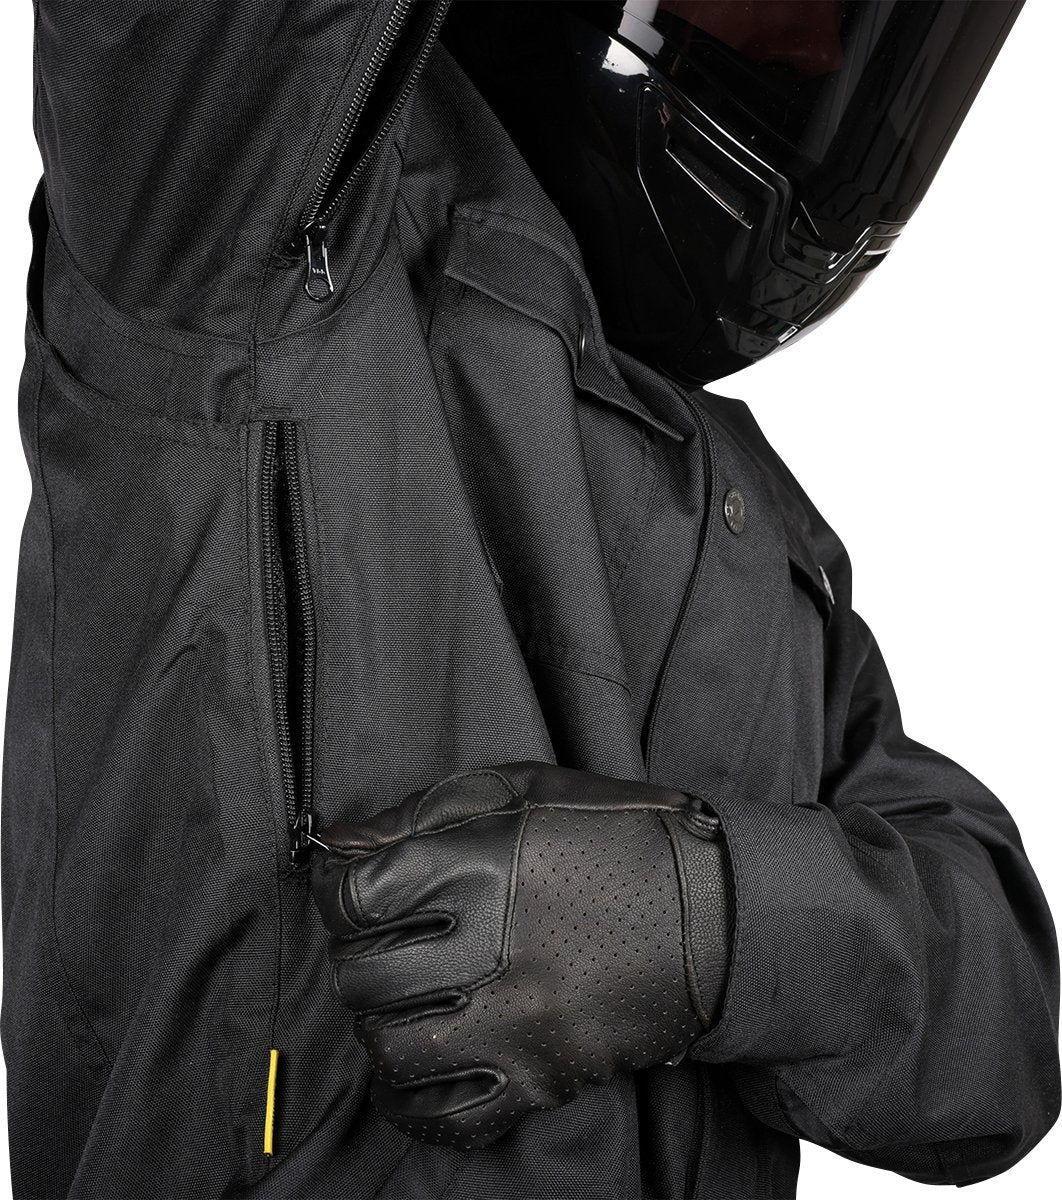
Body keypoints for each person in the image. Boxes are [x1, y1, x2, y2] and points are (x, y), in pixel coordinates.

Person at [2, 2, 1057, 1198]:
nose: (821, 54)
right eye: (784, 12)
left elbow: (1005, 1034)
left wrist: (716, 926)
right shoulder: (242, 207)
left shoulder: (766, 537)